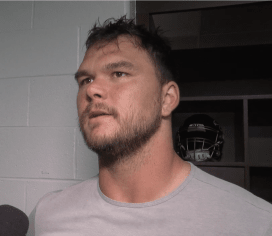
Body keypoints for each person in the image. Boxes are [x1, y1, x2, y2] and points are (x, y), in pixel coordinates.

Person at [27, 16, 272, 235]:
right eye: (86, 79)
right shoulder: (47, 217)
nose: (91, 89)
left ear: (166, 99)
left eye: (119, 73)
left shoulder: (255, 222)